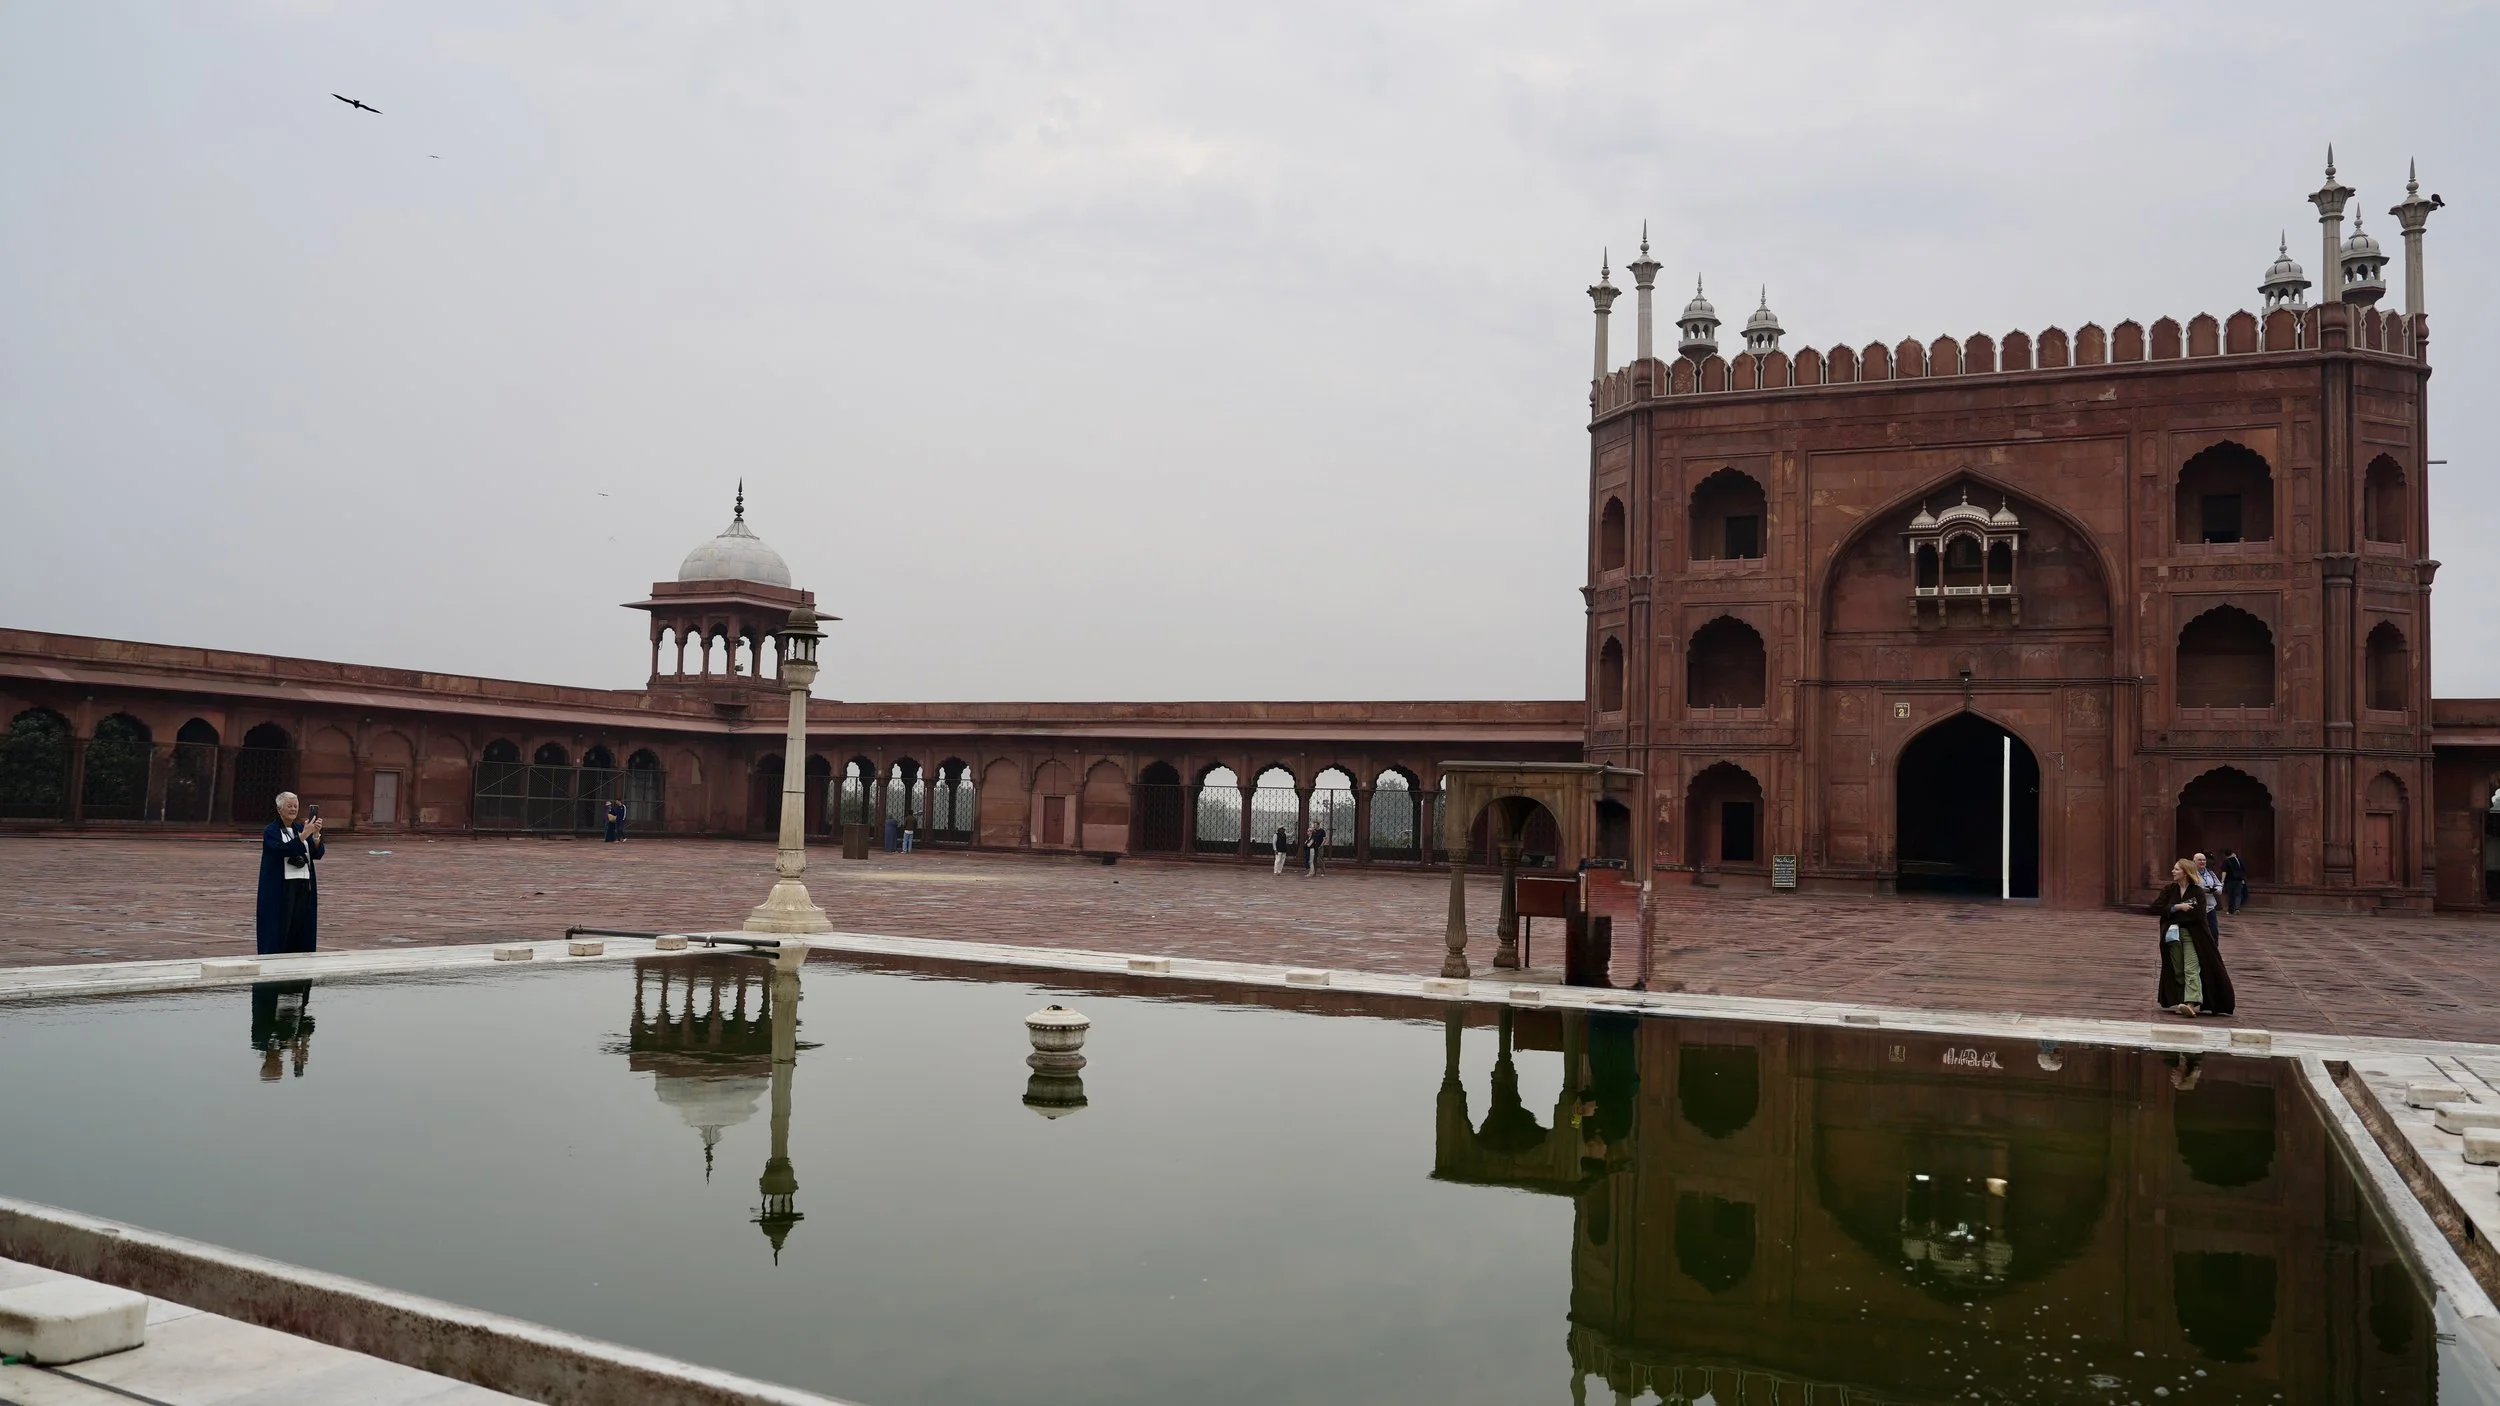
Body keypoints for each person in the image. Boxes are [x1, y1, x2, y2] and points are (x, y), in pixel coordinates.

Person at [2152, 857, 2235, 1018]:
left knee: (2191, 968)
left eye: (2176, 869)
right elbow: (2156, 908)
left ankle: (2192, 1002)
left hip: (2192, 935)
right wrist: (2178, 907)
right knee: (2177, 968)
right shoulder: (2170, 889)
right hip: (2172, 935)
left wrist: (2172, 913)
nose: (2173, 871)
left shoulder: (2197, 892)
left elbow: (2197, 915)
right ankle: (2182, 1000)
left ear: (2185, 872)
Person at [256, 791, 325, 954]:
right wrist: (304, 836)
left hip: (303, 884)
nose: (293, 809)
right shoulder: (271, 831)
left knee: (300, 925)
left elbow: (317, 854)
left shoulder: (301, 827)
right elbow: (281, 850)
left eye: (296, 806)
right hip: (281, 887)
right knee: (281, 925)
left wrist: (315, 835)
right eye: (289, 806)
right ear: (280, 809)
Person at [2194, 852, 2225, 939]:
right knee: (2199, 933)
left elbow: (2219, 885)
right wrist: (2201, 890)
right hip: (2197, 907)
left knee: (2213, 933)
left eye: (2204, 860)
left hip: (2210, 907)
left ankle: (2213, 951)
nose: (2202, 862)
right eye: (2199, 860)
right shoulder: (2190, 874)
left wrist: (2215, 890)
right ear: (2194, 862)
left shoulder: (2210, 873)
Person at [2222, 849, 2248, 914]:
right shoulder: (2238, 861)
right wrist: (2242, 879)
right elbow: (2243, 870)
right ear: (2232, 853)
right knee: (2238, 895)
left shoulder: (2226, 862)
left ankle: (2230, 910)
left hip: (2229, 881)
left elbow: (2224, 872)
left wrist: (2222, 881)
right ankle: (2237, 908)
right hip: (2239, 880)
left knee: (2230, 895)